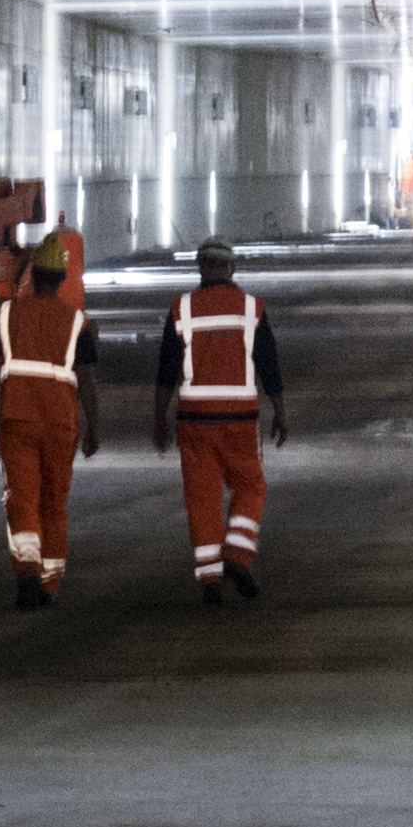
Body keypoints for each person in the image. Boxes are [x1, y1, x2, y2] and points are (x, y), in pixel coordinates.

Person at [152, 237, 287, 603]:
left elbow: (166, 368)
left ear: (201, 267)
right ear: (232, 268)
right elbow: (269, 362)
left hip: (194, 419)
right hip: (241, 418)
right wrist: (279, 409)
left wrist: (159, 416)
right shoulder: (251, 308)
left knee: (202, 499)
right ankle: (238, 554)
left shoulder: (182, 309)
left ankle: (211, 580)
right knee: (251, 488)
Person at [0, 225, 101, 608]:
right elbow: (86, 379)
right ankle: (50, 582)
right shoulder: (76, 322)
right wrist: (93, 425)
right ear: (63, 278)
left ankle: (26, 571)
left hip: (17, 419)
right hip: (60, 423)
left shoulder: (6, 314)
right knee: (55, 502)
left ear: (32, 275)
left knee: (22, 498)